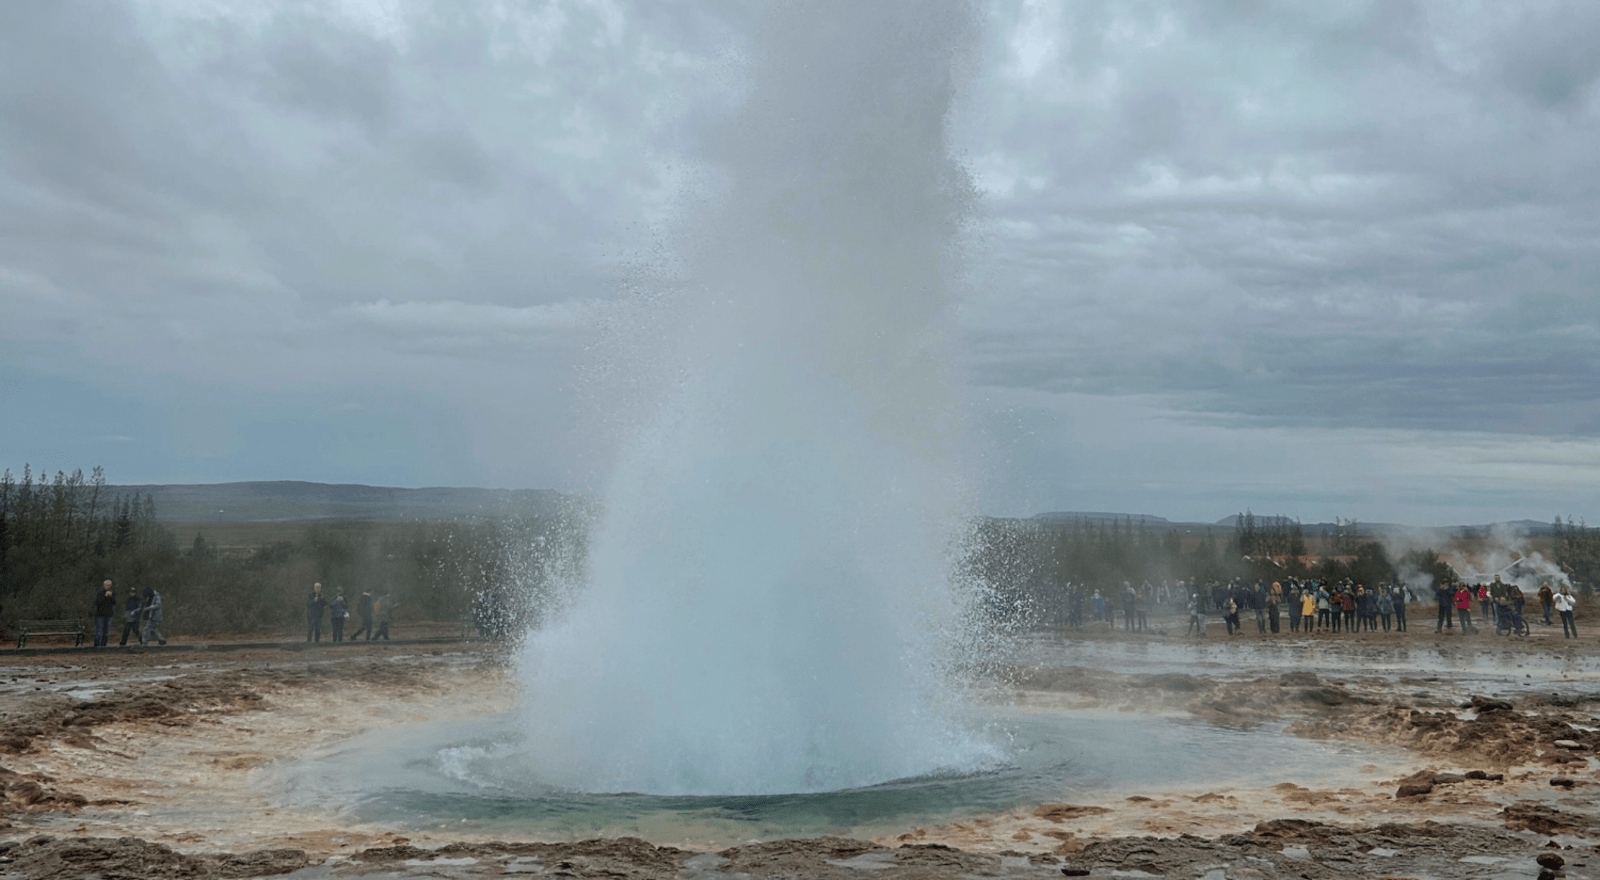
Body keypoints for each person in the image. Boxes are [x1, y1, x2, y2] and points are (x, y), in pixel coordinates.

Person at [93, 580, 117, 647]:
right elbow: (97, 602)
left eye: (109, 585)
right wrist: (105, 596)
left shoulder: (112, 593)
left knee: (106, 632)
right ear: (104, 585)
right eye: (107, 585)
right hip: (100, 615)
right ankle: (96, 646)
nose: (108, 586)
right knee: (99, 631)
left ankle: (104, 646)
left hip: (109, 615)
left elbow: (114, 602)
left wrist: (111, 597)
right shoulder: (100, 593)